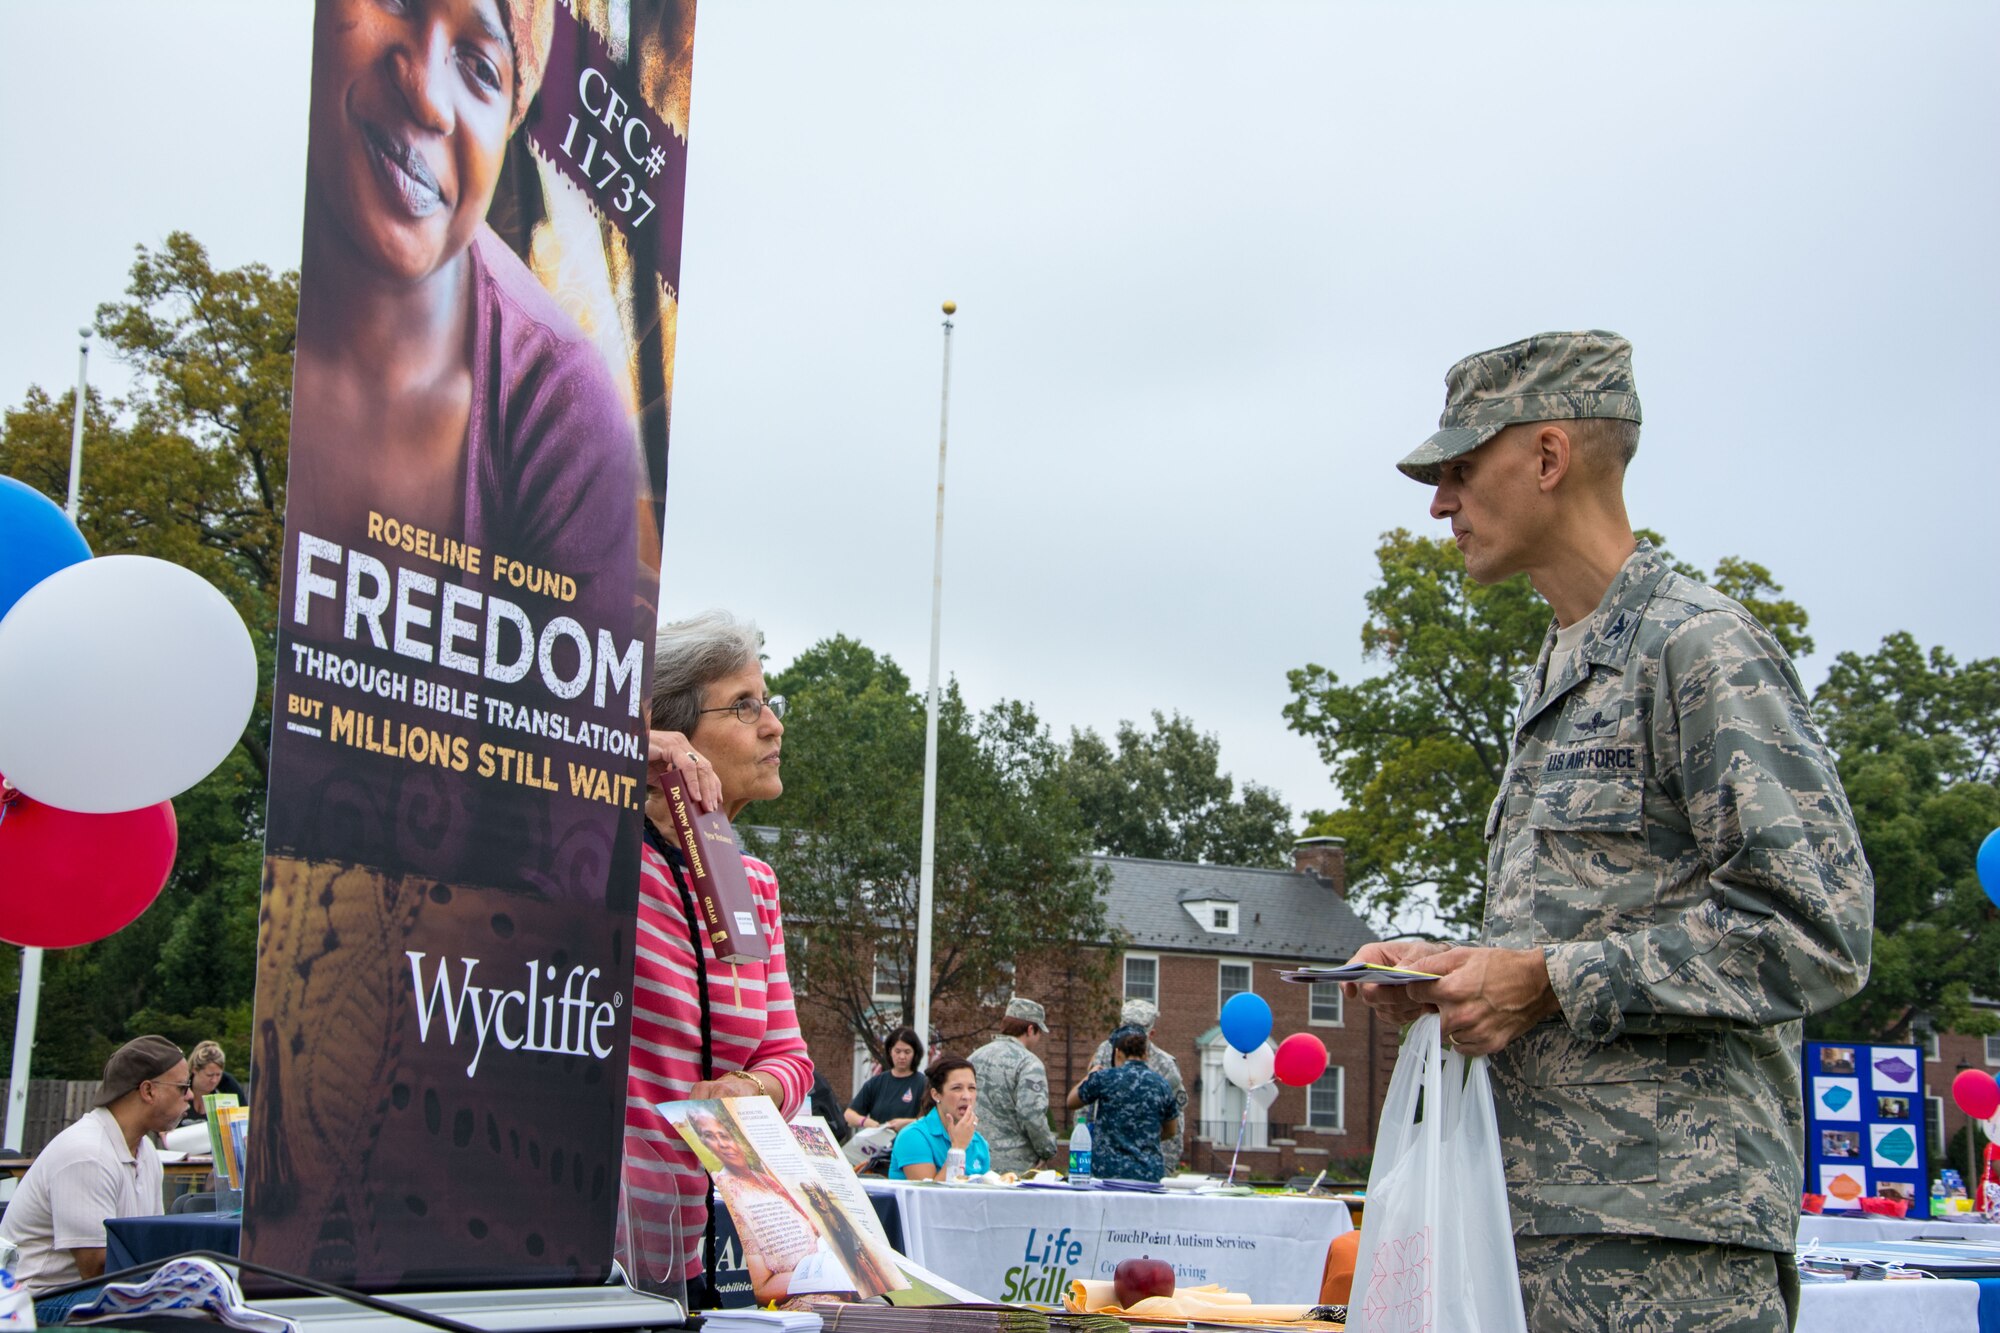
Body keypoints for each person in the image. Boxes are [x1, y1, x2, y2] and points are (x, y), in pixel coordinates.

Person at [1346, 331, 1873, 1331]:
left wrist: (1544, 980)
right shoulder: (1558, 667)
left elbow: (1816, 930)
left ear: (1546, 458)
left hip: (1669, 1250)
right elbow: (1589, 928)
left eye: (1460, 468)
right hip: (1527, 1225)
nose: (1437, 502)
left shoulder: (1697, 648)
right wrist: (1459, 971)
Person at [269, 0, 650, 892]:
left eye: (481, 66)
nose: (427, 94)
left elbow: (565, 846)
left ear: (513, 120)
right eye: (398, 5)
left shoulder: (562, 401)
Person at [624, 611, 814, 1293]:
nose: (773, 724)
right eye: (744, 706)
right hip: (599, 1250)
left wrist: (748, 1087)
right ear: (674, 729)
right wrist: (622, 746)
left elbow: (790, 1059)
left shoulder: (756, 884)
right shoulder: (598, 854)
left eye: (768, 702)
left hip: (708, 1260)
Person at [1, 1037, 192, 1322]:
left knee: (194, 1298)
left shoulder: (145, 1151)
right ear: (148, 1090)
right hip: (30, 1302)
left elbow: (147, 1247)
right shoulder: (87, 1154)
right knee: (168, 1306)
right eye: (183, 1087)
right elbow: (96, 1271)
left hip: (74, 1292)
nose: (190, 1096)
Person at [1087, 998, 1187, 1173]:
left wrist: (1167, 1167)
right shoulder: (1103, 1053)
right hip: (1103, 1163)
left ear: (1151, 1035)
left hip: (1146, 1166)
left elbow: (1175, 1126)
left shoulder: (1165, 1066)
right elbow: (1087, 1108)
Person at [1069, 1025, 1179, 1183]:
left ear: (1117, 1053)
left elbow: (1071, 1102)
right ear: (1146, 1054)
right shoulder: (1161, 1084)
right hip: (1147, 1174)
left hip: (1108, 1173)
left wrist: (1090, 1075)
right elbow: (1171, 1130)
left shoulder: (1104, 1078)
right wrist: (1142, 1139)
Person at [967, 998, 1058, 1175]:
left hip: (973, 1159)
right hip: (1014, 1168)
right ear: (1031, 1029)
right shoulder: (1029, 1064)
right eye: (1039, 1033)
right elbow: (1031, 1114)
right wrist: (1047, 1149)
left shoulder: (974, 1057)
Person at [888, 1059, 990, 1181]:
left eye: (972, 1088)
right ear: (936, 1094)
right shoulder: (913, 1135)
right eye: (957, 1088)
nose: (967, 1096)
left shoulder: (979, 1142)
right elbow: (929, 1195)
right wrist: (958, 1148)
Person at [845, 1027, 928, 1134]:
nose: (902, 1056)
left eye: (907, 1052)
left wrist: (907, 1123)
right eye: (897, 1051)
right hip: (878, 1146)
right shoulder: (876, 1083)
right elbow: (849, 1115)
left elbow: (933, 1120)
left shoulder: (923, 1084)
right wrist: (866, 1122)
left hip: (910, 1146)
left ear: (915, 1053)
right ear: (890, 1051)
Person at [178, 1041, 247, 1125]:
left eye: (218, 1075)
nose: (214, 1080)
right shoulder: (180, 1086)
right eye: (209, 1075)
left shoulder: (229, 1087)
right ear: (194, 1069)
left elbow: (245, 1120)